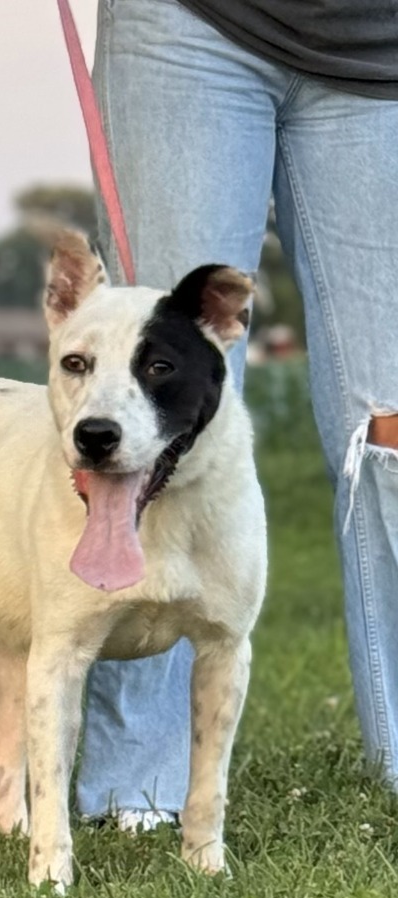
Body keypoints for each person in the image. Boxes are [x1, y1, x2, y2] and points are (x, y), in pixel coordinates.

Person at [75, 0, 398, 829]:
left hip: (383, 45)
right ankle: (133, 791)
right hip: (187, 26)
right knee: (153, 412)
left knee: (394, 427)